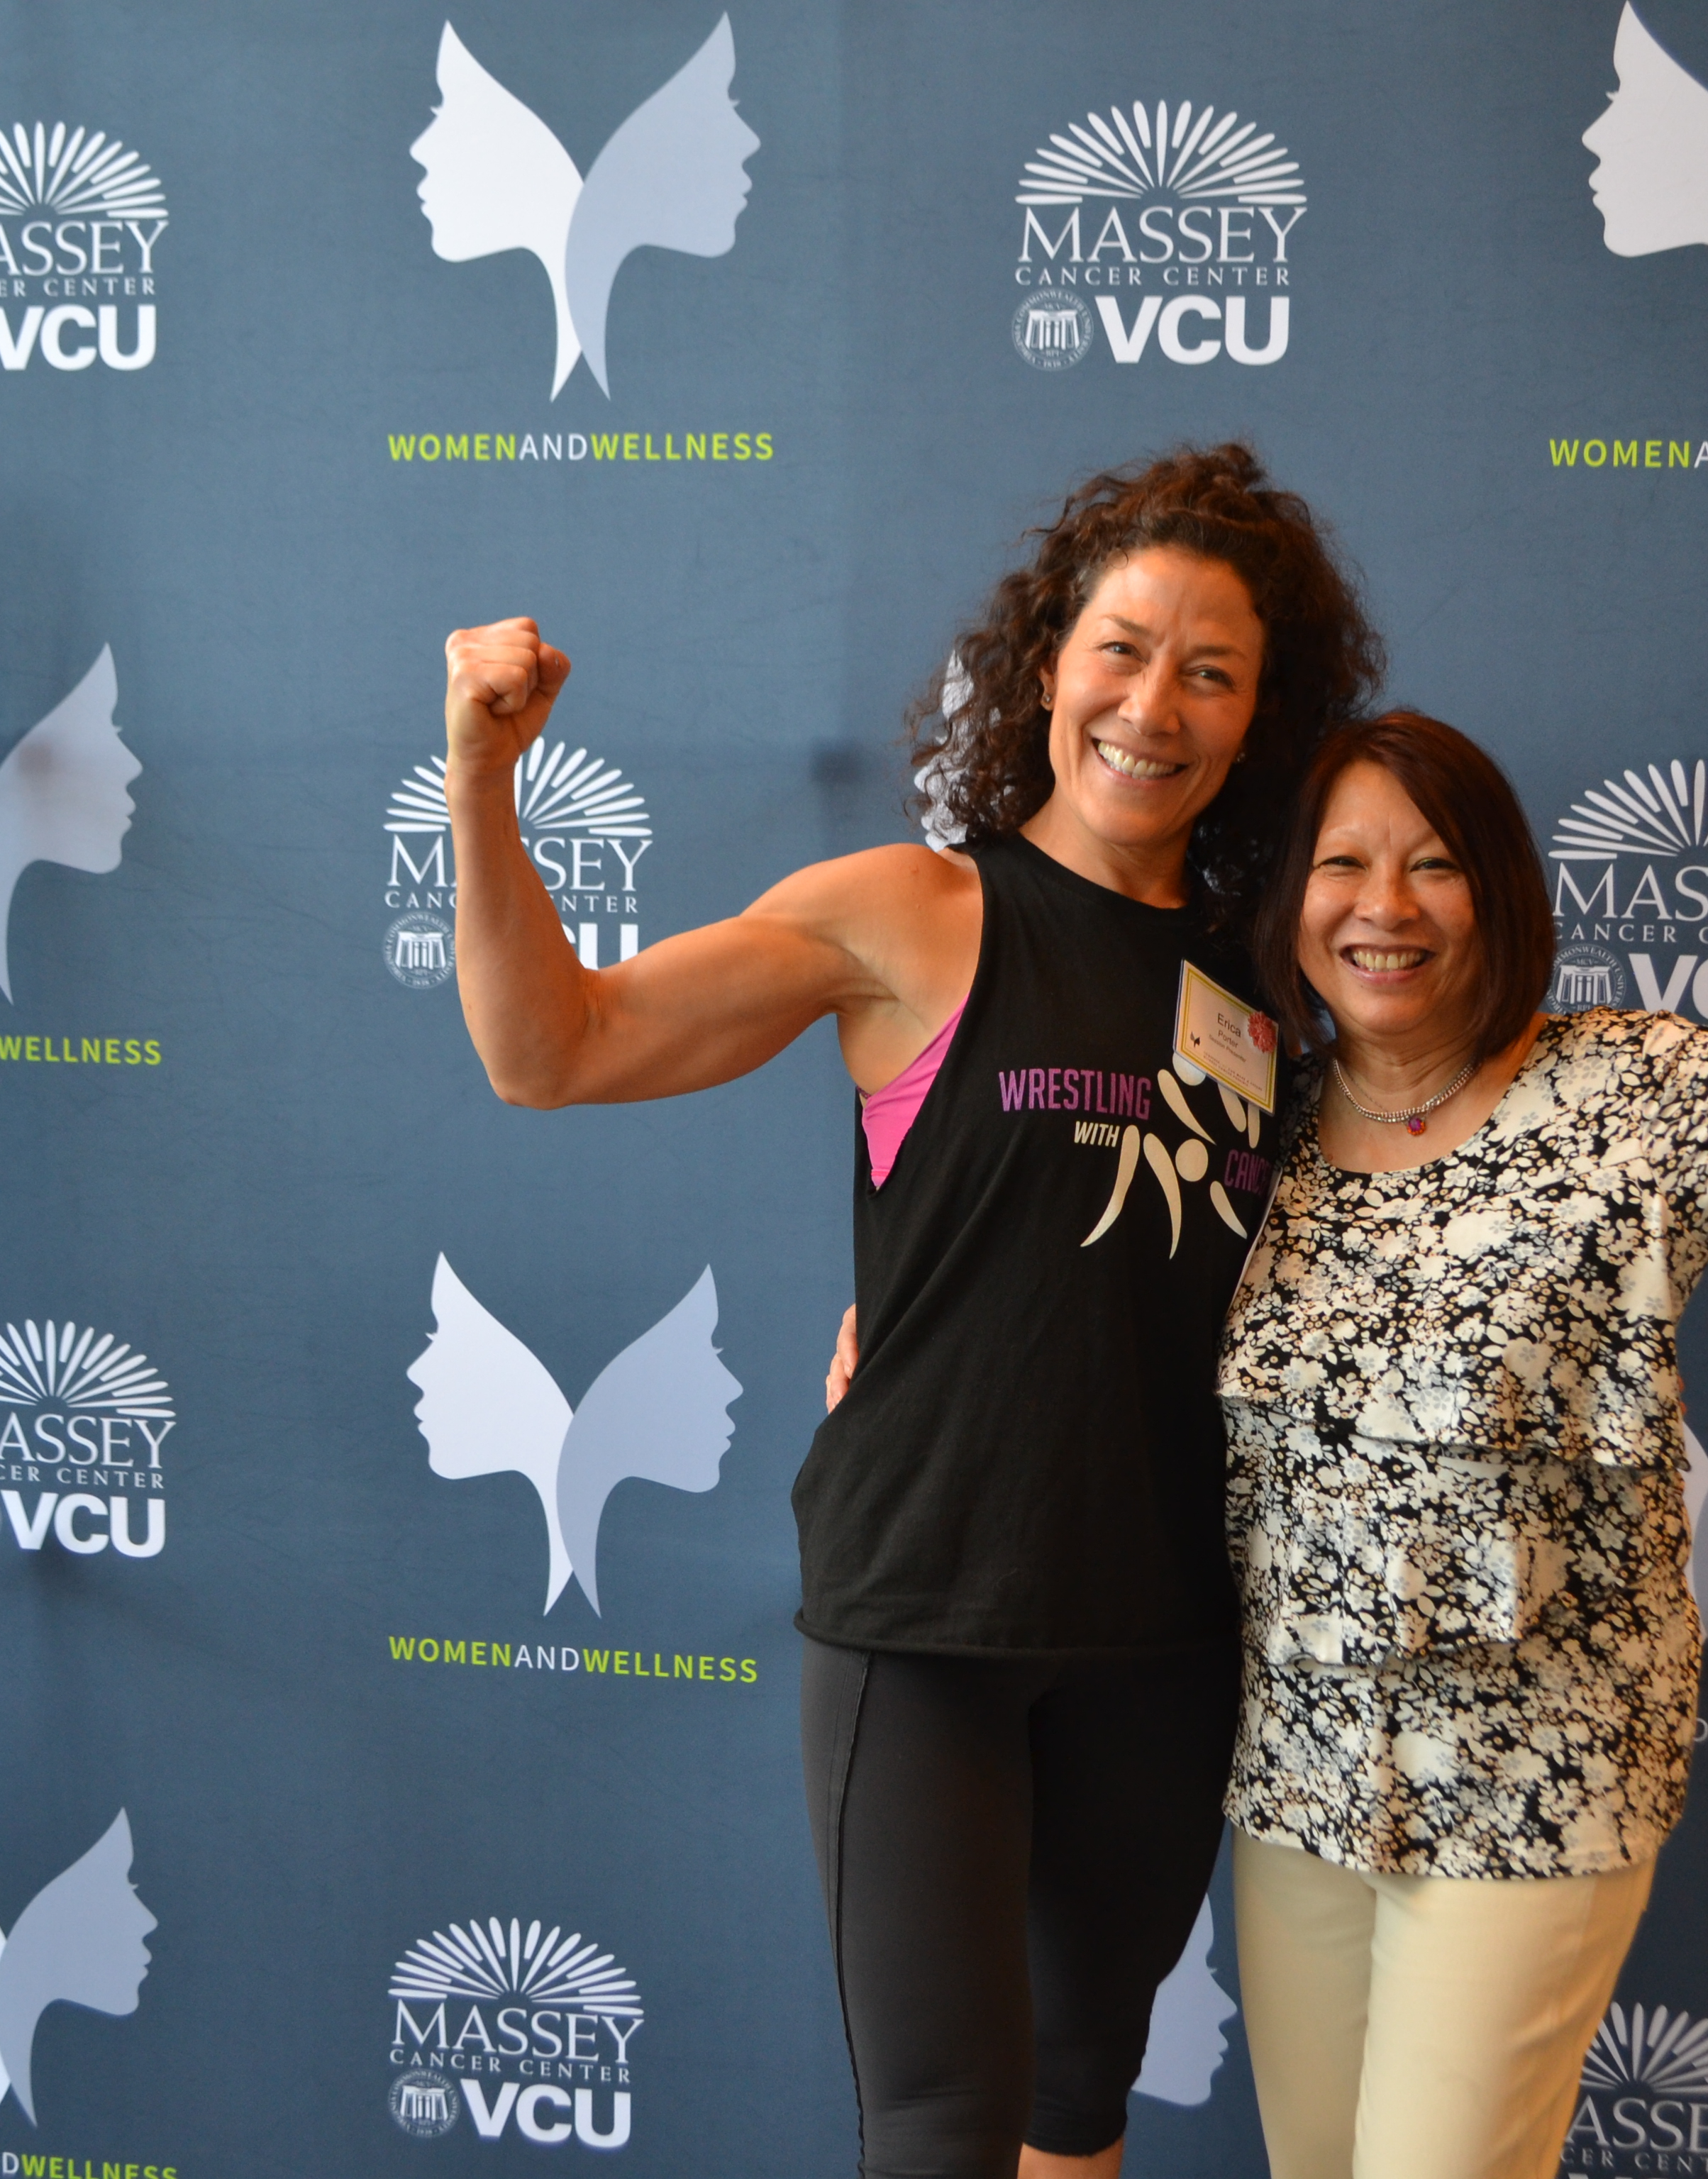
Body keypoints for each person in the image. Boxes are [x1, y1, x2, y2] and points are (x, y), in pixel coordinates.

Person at [441, 444, 1380, 2179]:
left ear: (1261, 719)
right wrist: (483, 778)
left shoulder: (1272, 978)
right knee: (942, 2131)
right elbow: (548, 1049)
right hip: (927, 1612)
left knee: (1079, 2108)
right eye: (1121, 649)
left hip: (1169, 1632)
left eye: (1210, 672)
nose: (1151, 705)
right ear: (1048, 666)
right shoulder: (915, 912)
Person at [1217, 707, 1708, 2179]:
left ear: (1502, 894)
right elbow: (1074, 1276)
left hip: (1539, 1777)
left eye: (1435, 865)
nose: (1385, 907)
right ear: (1289, 899)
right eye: (1341, 864)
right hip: (1298, 1775)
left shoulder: (1632, 1089)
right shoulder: (1249, 1118)